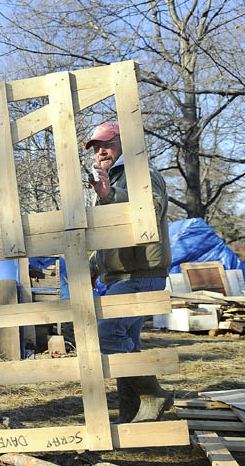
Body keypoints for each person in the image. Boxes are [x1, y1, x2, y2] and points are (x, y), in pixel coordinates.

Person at [85, 122, 173, 423]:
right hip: (119, 275)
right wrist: (95, 265)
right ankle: (133, 417)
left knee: (107, 334)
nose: (100, 151)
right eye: (96, 147)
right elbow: (110, 234)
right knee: (128, 344)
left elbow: (151, 210)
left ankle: (154, 394)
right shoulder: (109, 180)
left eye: (107, 144)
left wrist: (111, 195)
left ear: (125, 143)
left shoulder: (143, 174)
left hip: (139, 272)